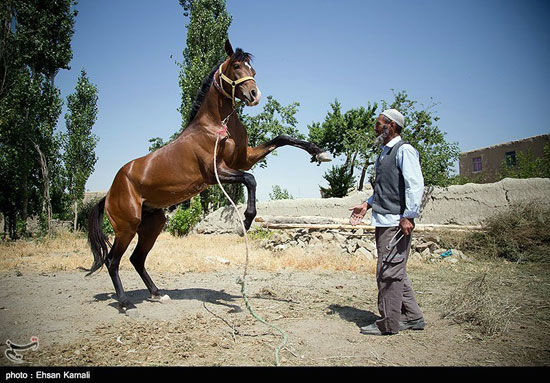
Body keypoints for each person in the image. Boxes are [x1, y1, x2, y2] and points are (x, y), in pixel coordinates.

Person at [349, 108, 425, 336]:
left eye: (378, 123)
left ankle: (388, 324)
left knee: (388, 272)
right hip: (384, 219)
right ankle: (412, 317)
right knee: (395, 268)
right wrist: (367, 204)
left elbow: (415, 185)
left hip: (396, 221)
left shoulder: (405, 150)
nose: (375, 127)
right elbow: (386, 189)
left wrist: (408, 216)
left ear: (390, 126)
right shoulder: (384, 153)